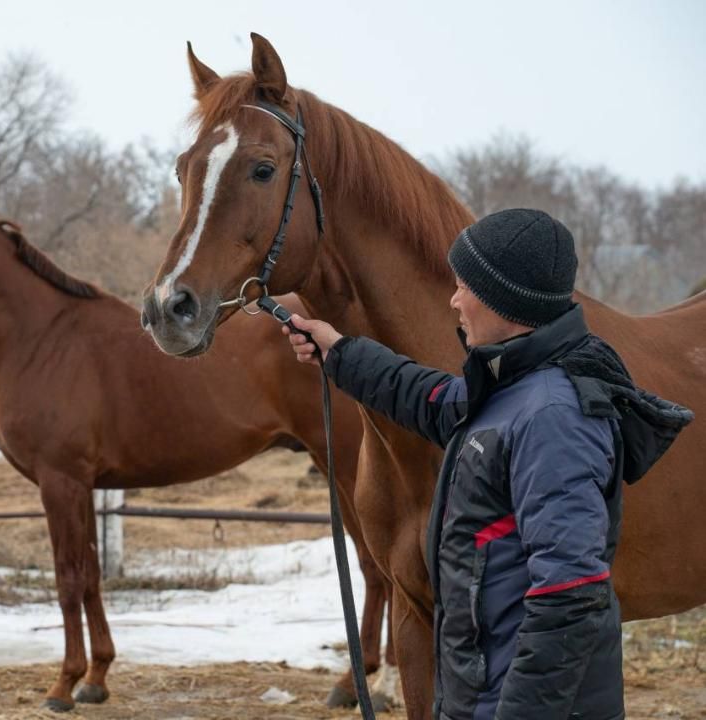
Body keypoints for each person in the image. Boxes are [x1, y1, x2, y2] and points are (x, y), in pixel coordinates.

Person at [284, 209, 693, 720]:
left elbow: (569, 598)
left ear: (507, 301)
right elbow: (430, 398)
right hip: (484, 692)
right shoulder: (513, 388)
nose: (453, 300)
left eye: (464, 287)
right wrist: (340, 354)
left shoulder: (553, 418)